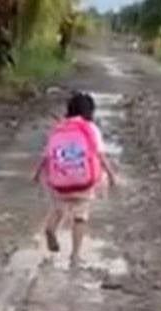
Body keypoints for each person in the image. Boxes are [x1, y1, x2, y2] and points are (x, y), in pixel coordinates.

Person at [33, 91, 117, 266]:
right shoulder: (90, 128)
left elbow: (48, 155)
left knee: (58, 209)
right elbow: (100, 155)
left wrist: (36, 173)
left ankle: (50, 229)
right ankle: (75, 255)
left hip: (60, 181)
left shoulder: (59, 128)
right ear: (90, 111)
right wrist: (111, 175)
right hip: (83, 182)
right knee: (80, 217)